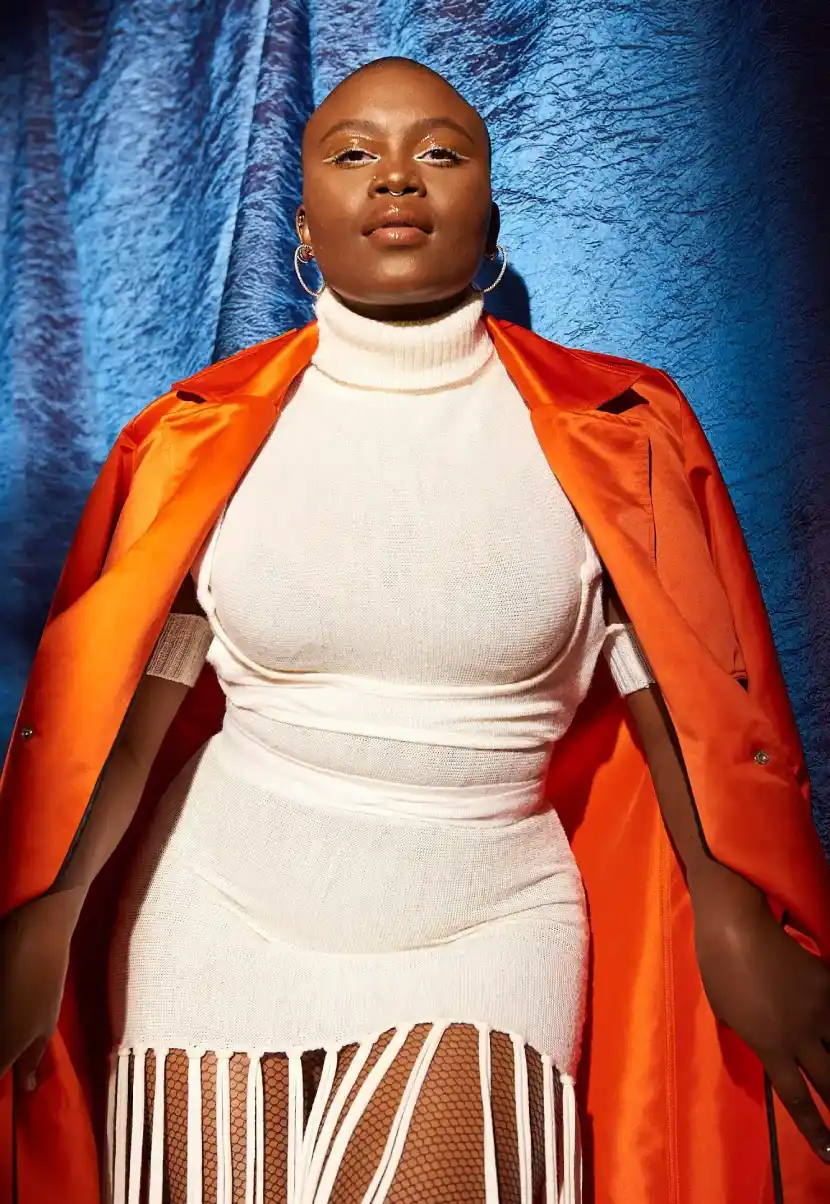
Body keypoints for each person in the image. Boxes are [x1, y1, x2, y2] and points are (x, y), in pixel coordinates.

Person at [1, 55, 829, 1204]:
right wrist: (50, 909)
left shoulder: (613, 431)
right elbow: (128, 720)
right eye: (353, 154)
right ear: (303, 225)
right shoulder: (201, 436)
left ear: (488, 213)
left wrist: (729, 905)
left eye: (439, 151)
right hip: (211, 911)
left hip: (483, 923)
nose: (396, 175)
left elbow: (679, 701)